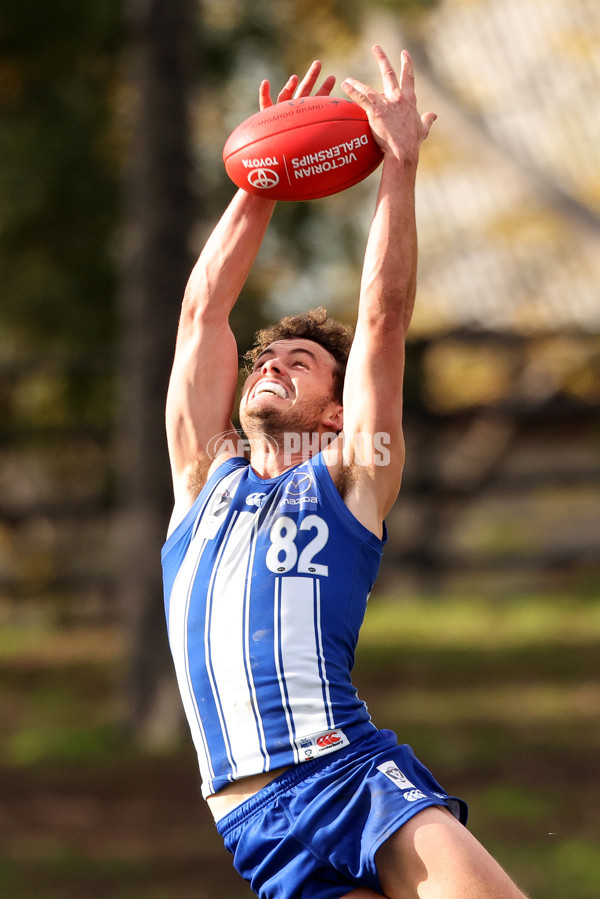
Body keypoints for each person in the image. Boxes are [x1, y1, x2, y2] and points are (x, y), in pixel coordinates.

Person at [161, 46, 529, 899]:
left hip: (352, 778)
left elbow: (384, 319)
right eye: (265, 359)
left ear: (335, 413)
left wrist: (397, 169)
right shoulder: (198, 481)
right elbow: (201, 310)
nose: (270, 366)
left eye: (298, 362)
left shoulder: (355, 472)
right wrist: (261, 184)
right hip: (251, 822)